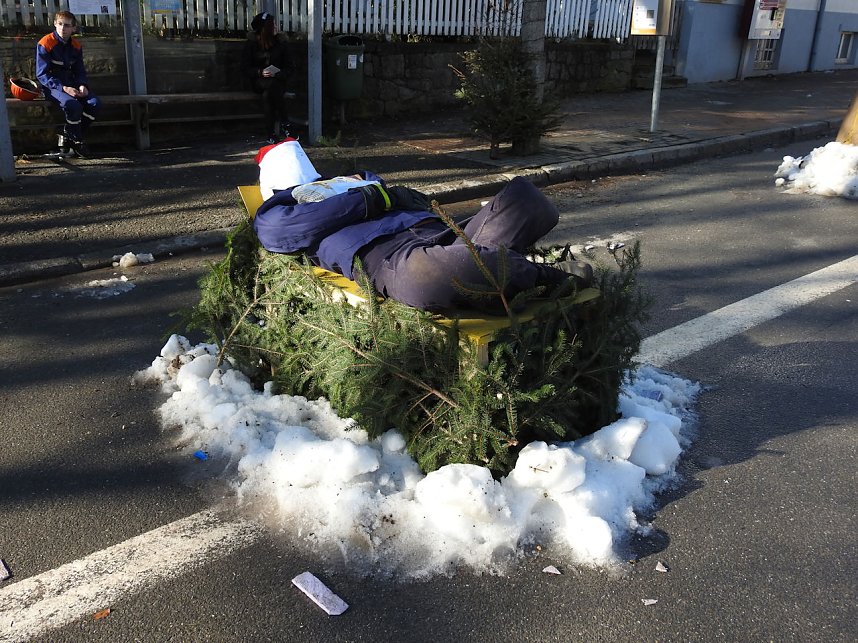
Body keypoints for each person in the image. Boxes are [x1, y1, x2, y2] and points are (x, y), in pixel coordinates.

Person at [252, 141, 593, 315]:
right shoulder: (279, 211)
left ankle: (488, 276)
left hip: (436, 231)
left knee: (526, 198)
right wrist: (370, 198)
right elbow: (278, 232)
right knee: (431, 276)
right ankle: (545, 278)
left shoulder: (346, 182)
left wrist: (373, 192)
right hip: (392, 256)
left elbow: (394, 192)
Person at [36, 10, 101, 157]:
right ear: (54, 24)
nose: (62, 28)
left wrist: (82, 85)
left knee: (95, 103)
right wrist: (63, 88)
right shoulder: (45, 43)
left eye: (66, 25)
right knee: (73, 105)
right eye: (59, 24)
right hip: (53, 86)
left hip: (72, 84)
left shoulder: (76, 46)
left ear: (74, 28)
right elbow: (42, 74)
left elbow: (79, 70)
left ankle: (69, 136)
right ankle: (77, 141)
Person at [242, 12, 294, 144]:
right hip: (259, 81)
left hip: (278, 81)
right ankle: (286, 123)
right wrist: (260, 72)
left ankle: (271, 134)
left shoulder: (281, 43)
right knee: (270, 88)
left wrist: (278, 73)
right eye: (273, 24)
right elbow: (245, 68)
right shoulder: (252, 45)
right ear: (265, 28)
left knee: (268, 95)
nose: (276, 27)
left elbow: (290, 67)